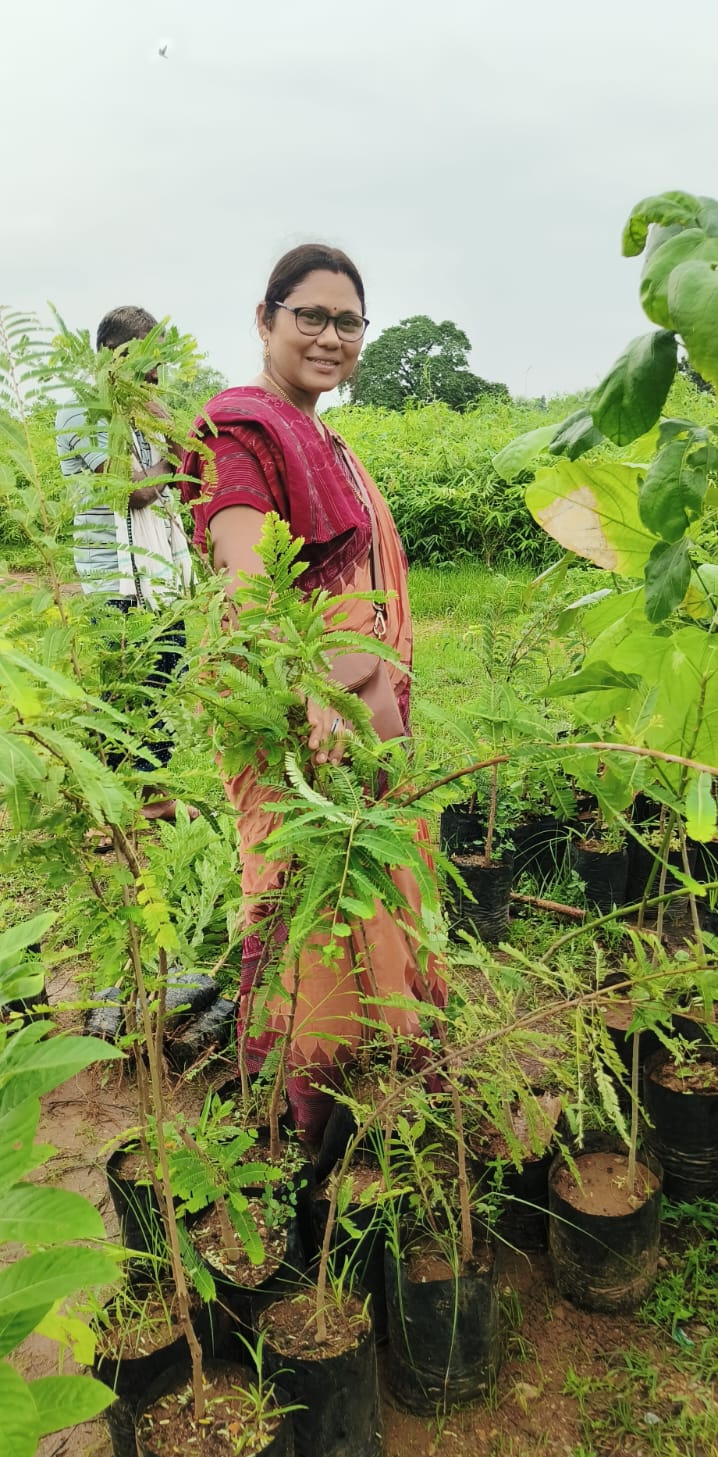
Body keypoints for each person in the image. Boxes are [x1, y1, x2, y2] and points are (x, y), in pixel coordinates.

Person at [181, 245, 445, 1138]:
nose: (330, 337)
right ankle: (322, 1113)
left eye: (348, 321)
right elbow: (245, 575)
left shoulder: (324, 434)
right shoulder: (241, 433)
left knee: (369, 880)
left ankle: (373, 1086)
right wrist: (311, 685)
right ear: (266, 318)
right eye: (311, 316)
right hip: (300, 718)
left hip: (359, 710)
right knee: (316, 893)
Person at [56, 306, 193, 822]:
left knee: (161, 678)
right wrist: (168, 456)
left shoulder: (147, 412)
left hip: (158, 572)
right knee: (119, 693)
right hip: (113, 575)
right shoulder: (82, 413)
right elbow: (136, 492)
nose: (156, 372)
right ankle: (106, 815)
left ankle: (152, 799)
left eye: (160, 359)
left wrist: (165, 423)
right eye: (147, 359)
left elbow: (197, 456)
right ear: (116, 356)